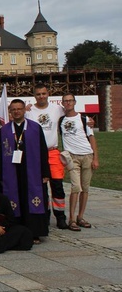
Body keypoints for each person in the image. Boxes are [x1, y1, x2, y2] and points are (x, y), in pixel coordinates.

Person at [0, 99, 49, 243]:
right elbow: (1, 153)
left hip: (32, 170)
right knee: (15, 198)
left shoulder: (35, 127)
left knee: (31, 199)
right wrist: (1, 173)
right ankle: (16, 231)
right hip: (12, 171)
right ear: (10, 111)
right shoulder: (5, 130)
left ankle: (34, 232)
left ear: (24, 110)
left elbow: (43, 150)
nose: (16, 112)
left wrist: (45, 173)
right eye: (13, 109)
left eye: (19, 109)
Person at [26, 84, 69, 229]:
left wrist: (88, 121)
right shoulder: (29, 111)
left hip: (52, 152)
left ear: (48, 94)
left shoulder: (57, 109)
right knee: (40, 187)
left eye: (43, 93)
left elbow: (70, 116)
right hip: (36, 154)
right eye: (38, 94)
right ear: (34, 95)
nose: (41, 96)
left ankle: (60, 216)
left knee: (57, 186)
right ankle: (44, 215)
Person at [59, 93, 99, 231]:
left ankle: (80, 216)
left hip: (87, 154)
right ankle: (71, 219)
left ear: (74, 102)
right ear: (62, 103)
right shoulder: (61, 120)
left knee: (85, 188)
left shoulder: (83, 118)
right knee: (76, 187)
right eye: (66, 101)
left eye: (70, 101)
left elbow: (91, 137)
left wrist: (95, 158)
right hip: (72, 157)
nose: (68, 103)